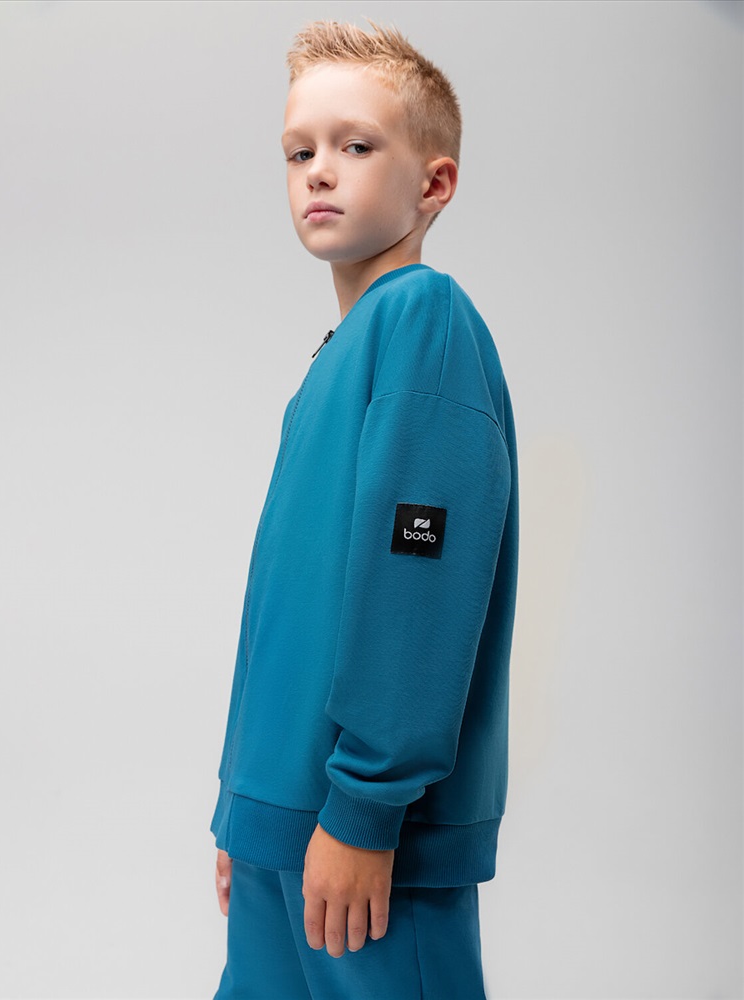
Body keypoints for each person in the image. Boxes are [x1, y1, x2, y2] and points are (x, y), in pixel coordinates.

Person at [210, 19, 518, 1000]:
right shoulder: (338, 356)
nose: (319, 171)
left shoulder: (423, 323)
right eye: (298, 151)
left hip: (360, 839)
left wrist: (364, 808)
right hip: (281, 824)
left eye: (355, 145)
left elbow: (416, 583)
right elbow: (289, 605)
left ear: (434, 184)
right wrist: (247, 811)